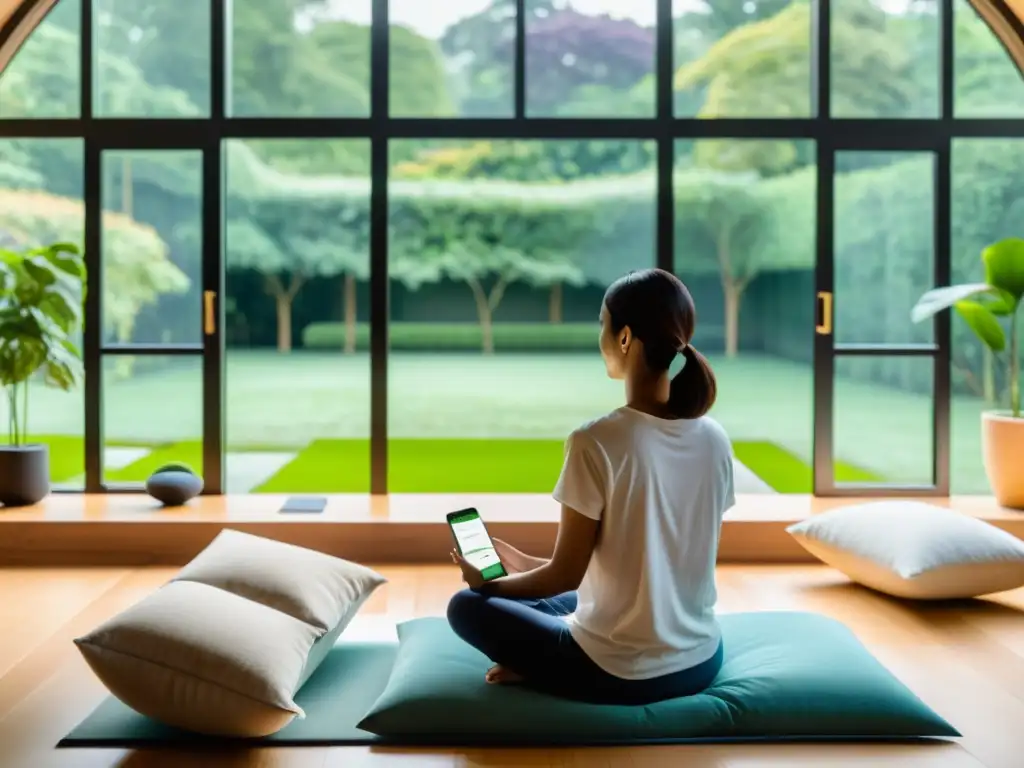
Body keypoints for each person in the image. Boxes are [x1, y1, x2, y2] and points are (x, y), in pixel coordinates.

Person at [447, 268, 735, 706]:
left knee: (465, 607)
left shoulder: (595, 441)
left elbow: (566, 574)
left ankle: (543, 671)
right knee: (561, 596)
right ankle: (536, 646)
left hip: (620, 673)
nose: (599, 335)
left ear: (624, 338)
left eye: (603, 323)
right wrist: (523, 563)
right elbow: (645, 562)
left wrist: (487, 585)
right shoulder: (714, 437)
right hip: (702, 659)